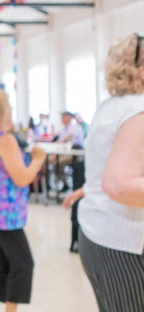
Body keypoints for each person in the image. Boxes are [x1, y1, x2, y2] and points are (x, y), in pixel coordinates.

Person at [75, 33, 144, 311]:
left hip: (96, 235)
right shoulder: (138, 111)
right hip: (123, 244)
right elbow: (118, 183)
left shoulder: (111, 107)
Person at [0, 90, 46, 312]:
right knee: (22, 266)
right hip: (3, 215)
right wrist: (38, 160)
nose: (12, 111)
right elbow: (22, 178)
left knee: (1, 266)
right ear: (0, 113)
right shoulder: (5, 140)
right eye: (9, 107)